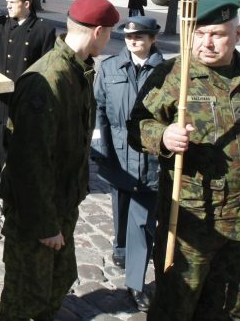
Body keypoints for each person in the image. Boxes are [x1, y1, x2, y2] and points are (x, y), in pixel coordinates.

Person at [127, 0, 240, 319]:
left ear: (238, 34)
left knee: (231, 308)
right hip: (192, 224)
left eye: (217, 34)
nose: (206, 43)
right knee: (176, 307)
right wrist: (162, 136)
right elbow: (137, 127)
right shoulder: (174, 75)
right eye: (199, 33)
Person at [0, 0, 119, 319]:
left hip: (61, 205)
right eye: (108, 34)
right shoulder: (50, 80)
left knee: (56, 285)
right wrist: (46, 225)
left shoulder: (77, 71)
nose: (108, 40)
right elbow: (28, 162)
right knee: (26, 299)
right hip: (36, 216)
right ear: (98, 32)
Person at [91, 16, 164, 312]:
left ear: (153, 39)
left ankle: (135, 282)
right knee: (121, 208)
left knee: (142, 221)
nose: (134, 41)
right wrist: (100, 148)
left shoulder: (168, 71)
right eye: (131, 37)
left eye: (141, 36)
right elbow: (99, 111)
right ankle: (121, 249)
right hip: (117, 156)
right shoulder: (109, 67)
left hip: (151, 159)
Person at [0, 0, 56, 171]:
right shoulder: (0, 26)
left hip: (27, 100)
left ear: (27, 4)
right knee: (2, 146)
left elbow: (49, 69)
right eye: (7, 2)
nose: (8, 6)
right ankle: (4, 182)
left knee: (25, 147)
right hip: (3, 100)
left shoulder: (43, 30)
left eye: (12, 2)